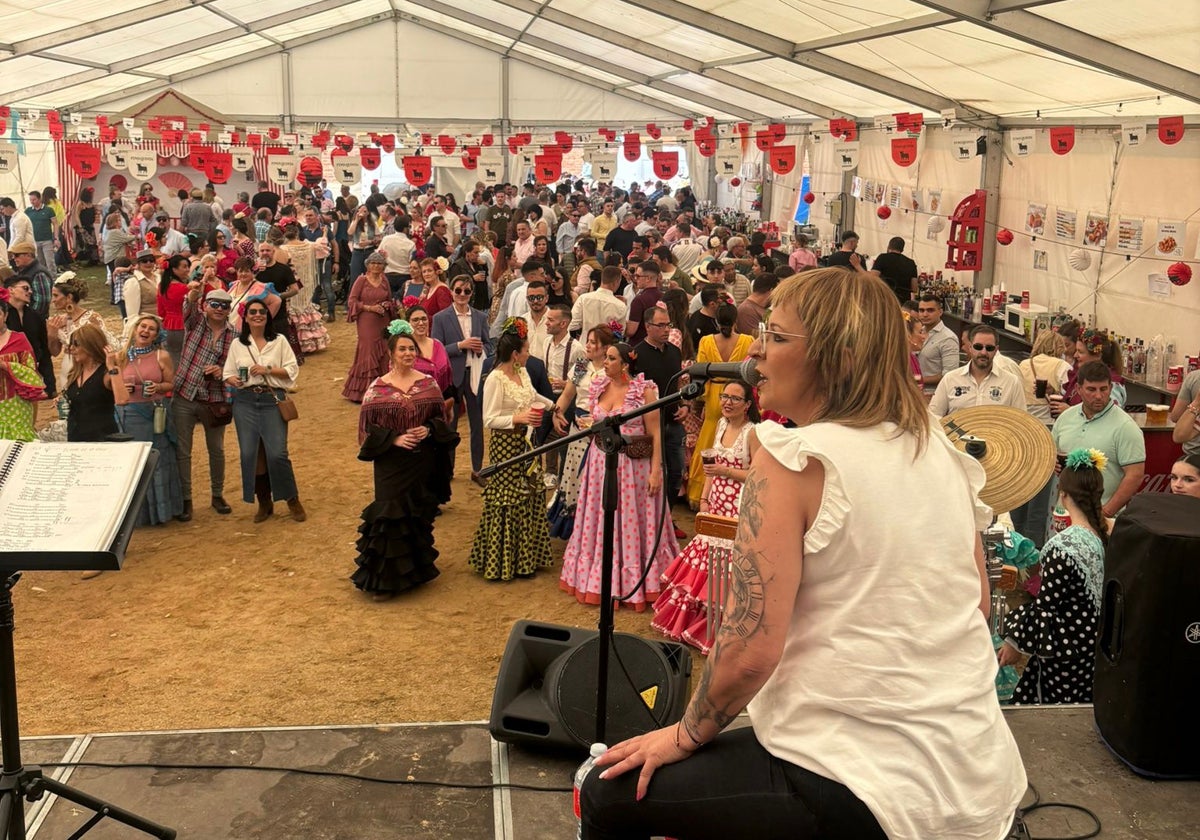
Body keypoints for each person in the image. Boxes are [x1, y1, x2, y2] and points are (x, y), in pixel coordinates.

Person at [582, 267, 1025, 840]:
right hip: (977, 772)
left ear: (835, 355)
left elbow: (747, 654)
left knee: (605, 791)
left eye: (777, 337)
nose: (758, 354)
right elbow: (978, 605)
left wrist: (683, 736)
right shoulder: (941, 450)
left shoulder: (794, 457)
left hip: (860, 780)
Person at [560, 340, 679, 610]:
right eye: (606, 357)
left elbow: (656, 432)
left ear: (626, 364)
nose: (605, 361)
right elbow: (589, 413)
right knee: (600, 520)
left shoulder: (644, 391)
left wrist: (656, 470)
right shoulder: (598, 385)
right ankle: (599, 580)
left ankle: (638, 582)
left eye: (611, 358)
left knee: (632, 522)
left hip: (634, 467)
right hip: (600, 463)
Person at [352, 320, 460, 600]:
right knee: (389, 514)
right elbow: (366, 431)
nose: (408, 353)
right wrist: (394, 440)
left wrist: (428, 429)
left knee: (415, 514)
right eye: (402, 349)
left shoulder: (429, 384)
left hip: (420, 462)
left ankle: (415, 573)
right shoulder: (377, 389)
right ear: (391, 353)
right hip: (390, 464)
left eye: (412, 349)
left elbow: (442, 418)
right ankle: (385, 582)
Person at [653, 379, 759, 651]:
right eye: (725, 396)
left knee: (728, 570)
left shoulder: (752, 433)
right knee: (708, 564)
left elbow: (758, 475)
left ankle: (721, 631)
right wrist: (704, 499)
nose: (727, 402)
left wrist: (726, 472)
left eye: (735, 398)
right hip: (716, 505)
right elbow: (711, 464)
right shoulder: (721, 425)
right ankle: (700, 625)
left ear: (747, 405)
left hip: (738, 508)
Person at [999, 448, 1108, 704]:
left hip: (1064, 650)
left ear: (1063, 494)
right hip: (1092, 645)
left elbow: (1045, 606)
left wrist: (1015, 643)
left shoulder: (1063, 546)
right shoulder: (1104, 533)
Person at [467, 317, 555, 581]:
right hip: (505, 446)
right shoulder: (495, 378)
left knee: (530, 494)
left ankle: (527, 558)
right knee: (509, 499)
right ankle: (502, 562)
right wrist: (518, 418)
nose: (529, 353)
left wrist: (553, 406)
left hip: (526, 445)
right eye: (527, 349)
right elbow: (488, 419)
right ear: (515, 353)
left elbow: (532, 396)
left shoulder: (523, 372)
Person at [223, 295, 305, 523]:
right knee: (251, 454)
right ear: (245, 318)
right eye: (253, 312)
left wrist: (267, 369)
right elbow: (227, 373)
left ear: (267, 317)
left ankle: (291, 498)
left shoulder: (278, 340)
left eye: (261, 312)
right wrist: (234, 381)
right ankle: (264, 502)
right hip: (245, 401)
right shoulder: (238, 344)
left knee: (277, 453)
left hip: (271, 400)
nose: (257, 315)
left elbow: (291, 370)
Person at [106, 315, 186, 524]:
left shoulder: (162, 356)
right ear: (135, 329)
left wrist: (158, 387)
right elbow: (108, 383)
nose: (146, 331)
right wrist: (123, 385)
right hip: (128, 416)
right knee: (134, 464)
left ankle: (162, 513)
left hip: (154, 415)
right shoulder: (121, 356)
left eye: (151, 329)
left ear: (156, 335)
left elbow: (171, 384)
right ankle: (138, 516)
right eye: (143, 326)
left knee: (156, 462)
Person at [548, 324, 617, 539]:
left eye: (593, 342)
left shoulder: (612, 370)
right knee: (574, 475)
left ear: (606, 348)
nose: (587, 345)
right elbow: (568, 395)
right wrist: (556, 412)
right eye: (588, 341)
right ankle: (574, 525)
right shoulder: (580, 365)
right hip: (578, 428)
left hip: (601, 429)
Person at [173, 285, 236, 518]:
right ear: (206, 306)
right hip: (185, 393)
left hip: (215, 398)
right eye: (215, 304)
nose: (219, 309)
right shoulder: (195, 324)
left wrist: (221, 371)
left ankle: (217, 495)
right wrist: (198, 288)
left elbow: (238, 367)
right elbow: (188, 305)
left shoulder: (235, 336)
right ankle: (186, 499)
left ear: (230, 309)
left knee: (217, 449)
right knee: (183, 450)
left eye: (225, 305)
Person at [1052, 361, 1144, 518]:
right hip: (1064, 514)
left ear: (1111, 388)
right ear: (1078, 389)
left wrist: (1106, 513)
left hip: (1100, 518)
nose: (1098, 396)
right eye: (1091, 389)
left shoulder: (1125, 426)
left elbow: (1135, 475)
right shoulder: (1065, 418)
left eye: (1103, 389)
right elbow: (1051, 452)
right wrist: (1052, 462)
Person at [685, 304, 754, 508]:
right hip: (736, 394)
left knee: (707, 442)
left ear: (716, 321)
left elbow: (700, 372)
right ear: (735, 322)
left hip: (716, 395)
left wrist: (703, 401)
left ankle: (698, 494)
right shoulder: (747, 341)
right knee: (734, 438)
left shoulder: (706, 341)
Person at [431, 275, 494, 483]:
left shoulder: (479, 317)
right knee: (450, 426)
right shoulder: (440, 318)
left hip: (474, 376)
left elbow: (489, 345)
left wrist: (480, 348)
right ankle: (447, 470)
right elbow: (436, 349)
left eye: (467, 291)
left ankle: (477, 470)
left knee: (477, 425)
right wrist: (461, 345)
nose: (462, 295)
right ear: (451, 291)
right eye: (458, 290)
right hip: (452, 377)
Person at [928, 324, 1025, 418]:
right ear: (970, 347)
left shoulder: (1012, 382)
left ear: (996, 350)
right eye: (978, 347)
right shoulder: (950, 379)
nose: (983, 352)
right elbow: (934, 416)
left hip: (995, 434)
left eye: (989, 348)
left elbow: (1021, 421)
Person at [343, 252, 396, 402]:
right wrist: (369, 308)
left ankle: (383, 388)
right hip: (366, 320)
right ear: (368, 265)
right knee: (368, 350)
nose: (376, 266)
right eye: (373, 263)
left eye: (379, 264)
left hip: (383, 320)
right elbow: (352, 301)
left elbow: (389, 299)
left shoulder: (384, 280)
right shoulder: (361, 280)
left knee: (384, 350)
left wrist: (387, 305)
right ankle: (364, 391)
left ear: (383, 266)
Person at [46, 273, 113, 387]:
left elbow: (103, 344)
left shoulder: (91, 317)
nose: (53, 300)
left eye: (56, 296)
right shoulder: (56, 321)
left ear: (69, 297)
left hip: (90, 365)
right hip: (68, 365)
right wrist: (51, 335)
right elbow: (55, 352)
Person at [0, 289, 46, 441]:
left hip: (16, 407)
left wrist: (7, 366)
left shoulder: (19, 340)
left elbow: (32, 376)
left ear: (5, 315)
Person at [279, 221, 331, 355]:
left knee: (292, 307)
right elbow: (323, 245)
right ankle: (310, 342)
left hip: (291, 282)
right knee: (305, 305)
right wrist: (324, 232)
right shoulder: (309, 246)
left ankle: (297, 343)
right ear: (297, 232)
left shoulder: (283, 249)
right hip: (307, 282)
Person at [63, 324, 119, 442]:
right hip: (76, 437)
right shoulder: (75, 373)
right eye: (71, 344)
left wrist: (112, 367)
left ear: (90, 345)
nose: (71, 348)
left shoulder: (108, 373)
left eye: (76, 344)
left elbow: (122, 399)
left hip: (102, 439)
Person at [3, 275, 54, 399]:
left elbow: (44, 350)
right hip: (6, 379)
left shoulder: (36, 316)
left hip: (32, 376)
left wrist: (50, 386)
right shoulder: (2, 316)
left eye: (30, 289)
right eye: (25, 288)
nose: (30, 292)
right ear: (11, 290)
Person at [1063, 328, 1126, 408]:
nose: (1075, 355)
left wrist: (1069, 411)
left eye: (1080, 352)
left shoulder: (1111, 383)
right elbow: (1067, 394)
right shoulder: (1080, 374)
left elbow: (1109, 414)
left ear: (1098, 355)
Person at [226, 256, 282, 333]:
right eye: (240, 271)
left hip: (246, 331)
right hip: (228, 329)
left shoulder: (258, 288)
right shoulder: (234, 285)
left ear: (252, 272)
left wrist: (263, 321)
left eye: (246, 271)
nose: (243, 274)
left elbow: (277, 301)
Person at [915, 293, 959, 391]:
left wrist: (918, 380)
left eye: (930, 310)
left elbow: (950, 374)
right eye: (921, 310)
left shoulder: (948, 338)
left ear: (940, 312)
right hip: (915, 391)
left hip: (934, 394)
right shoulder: (917, 332)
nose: (925, 314)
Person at [157, 255, 191, 366]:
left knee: (170, 355)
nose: (187, 270)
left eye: (188, 267)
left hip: (167, 324)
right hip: (181, 324)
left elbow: (160, 310)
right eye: (184, 267)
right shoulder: (184, 288)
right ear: (174, 269)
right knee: (181, 357)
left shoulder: (162, 286)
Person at [870, 237, 918, 302]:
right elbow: (914, 288)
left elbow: (872, 278)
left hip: (884, 298)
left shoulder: (883, 258)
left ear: (889, 246)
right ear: (902, 249)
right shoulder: (911, 262)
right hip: (903, 301)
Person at [1169, 369, 1200, 457]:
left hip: (1192, 453)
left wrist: (1196, 403)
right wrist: (1196, 403)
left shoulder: (1193, 377)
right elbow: (1179, 436)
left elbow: (1175, 416)